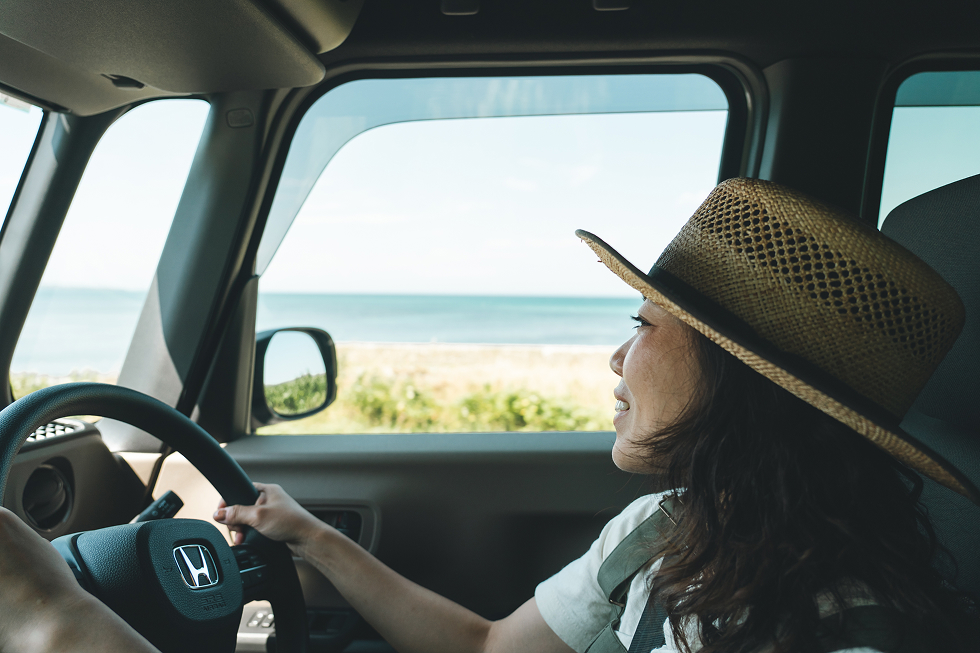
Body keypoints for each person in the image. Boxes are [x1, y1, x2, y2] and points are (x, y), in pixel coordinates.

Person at [1, 178, 977, 652]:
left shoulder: (851, 632)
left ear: (747, 380)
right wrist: (303, 537)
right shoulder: (676, 527)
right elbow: (486, 649)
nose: (615, 354)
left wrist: (56, 614)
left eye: (643, 322)